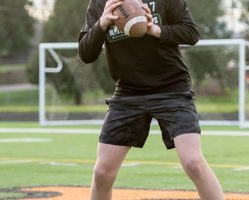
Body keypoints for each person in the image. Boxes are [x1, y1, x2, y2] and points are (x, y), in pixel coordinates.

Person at [78, 0, 224, 199]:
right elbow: (85, 54)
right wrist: (102, 24)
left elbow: (191, 33)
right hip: (128, 91)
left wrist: (154, 29)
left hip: (172, 88)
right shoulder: (100, 3)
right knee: (102, 172)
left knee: (193, 163)